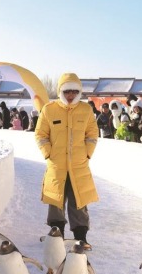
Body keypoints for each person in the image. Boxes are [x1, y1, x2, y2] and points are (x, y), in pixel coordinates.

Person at [35, 72, 98, 249]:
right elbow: (40, 134)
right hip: (57, 165)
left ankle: (81, 237)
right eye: (67, 91)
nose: (70, 95)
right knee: (56, 200)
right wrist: (48, 154)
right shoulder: (49, 109)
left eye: (74, 91)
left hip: (79, 165)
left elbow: (92, 134)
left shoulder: (86, 110)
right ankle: (56, 234)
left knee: (79, 201)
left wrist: (87, 153)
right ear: (61, 91)